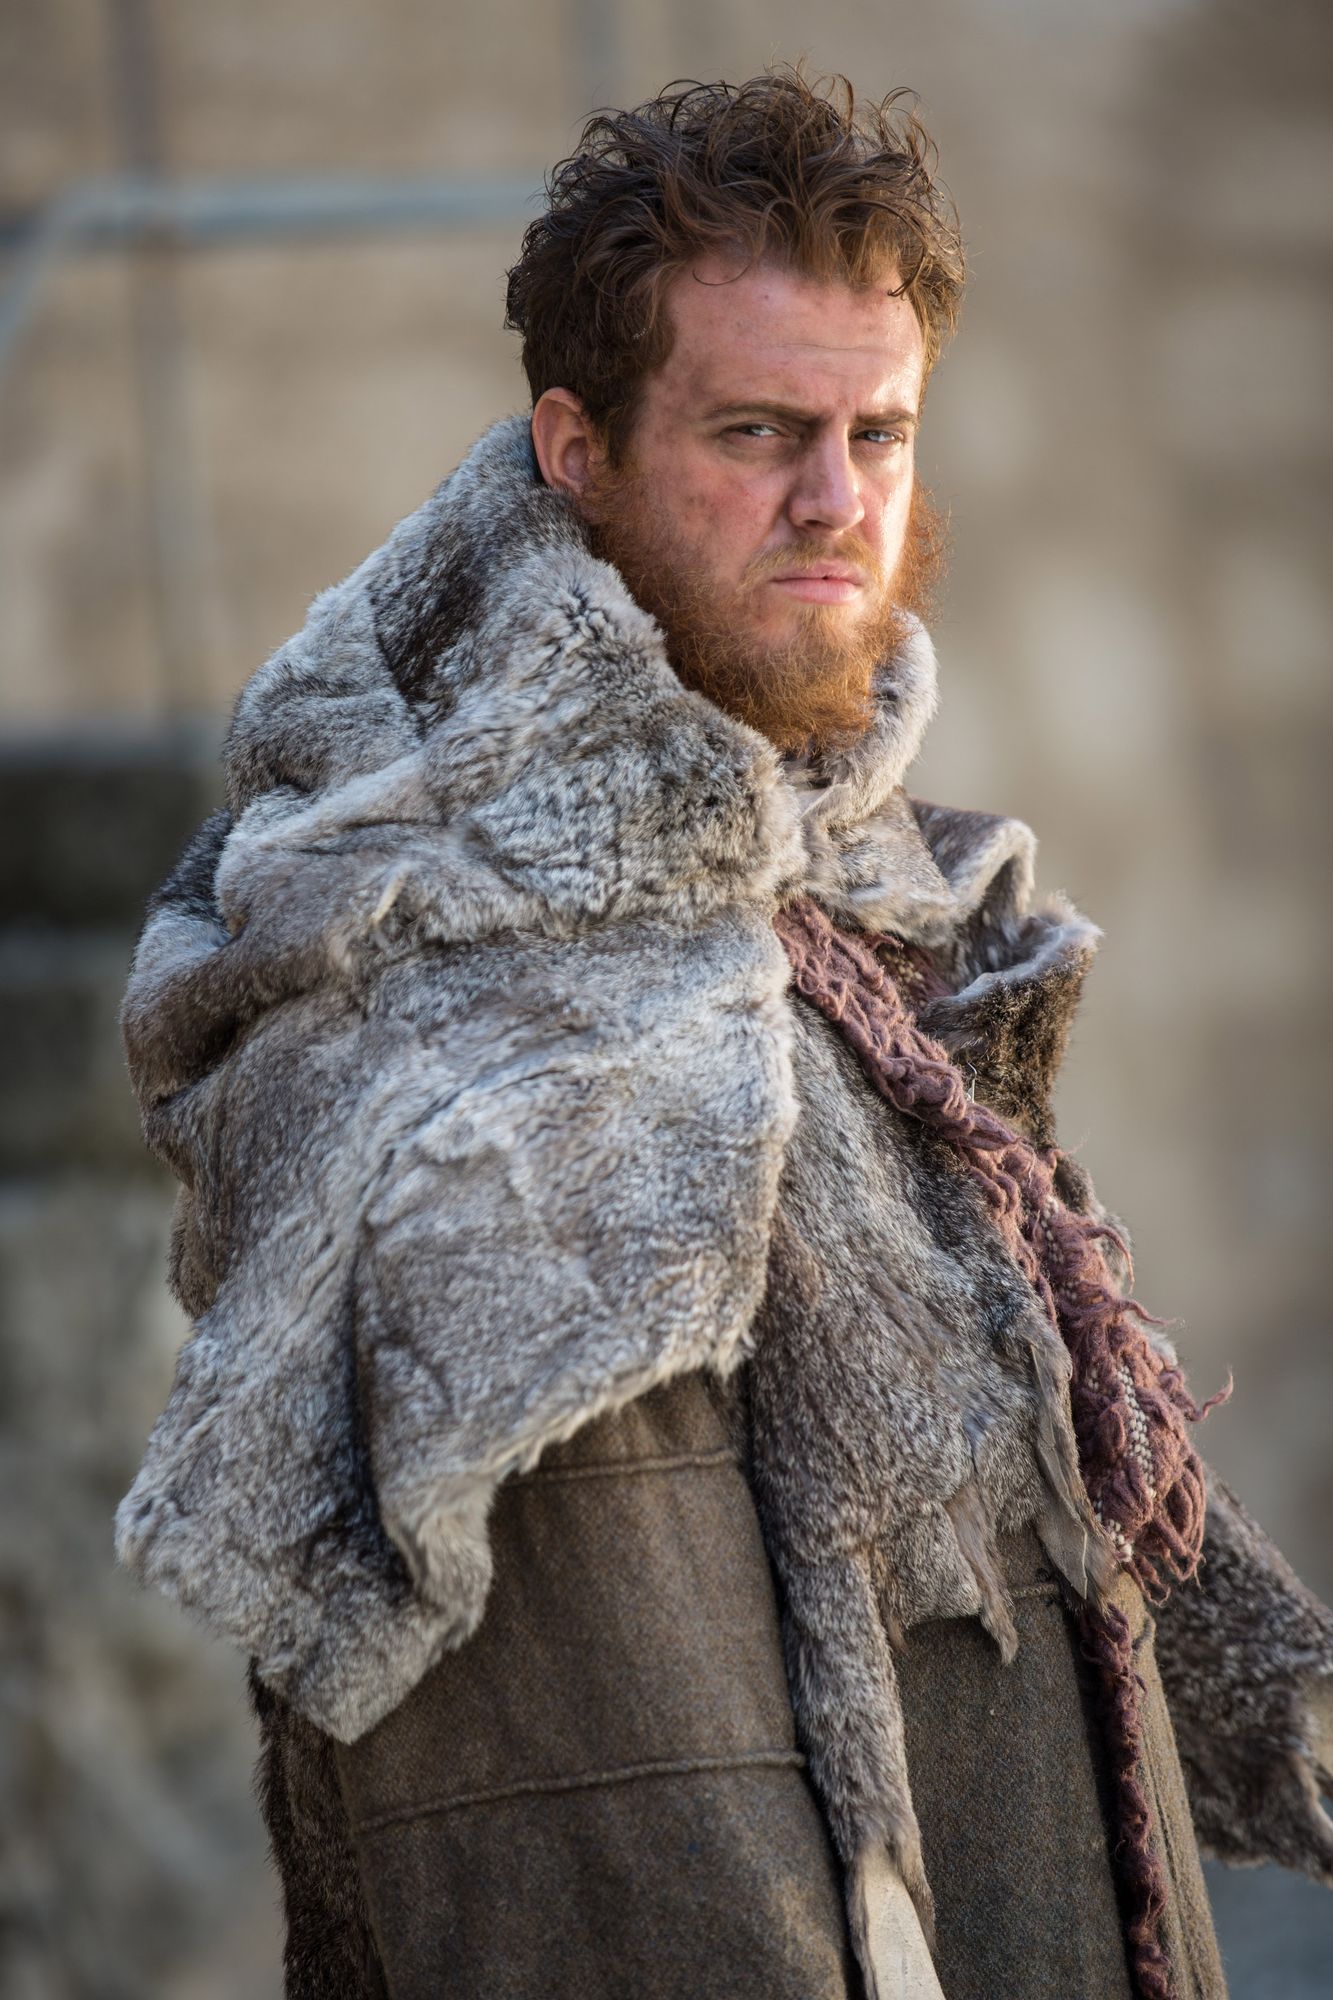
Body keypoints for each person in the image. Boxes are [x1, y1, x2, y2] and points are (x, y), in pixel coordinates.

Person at [116, 69, 1333, 2000]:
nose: (835, 501)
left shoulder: (848, 905)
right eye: (757, 431)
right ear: (574, 449)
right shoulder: (460, 1042)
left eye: (877, 432)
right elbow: (623, 1850)